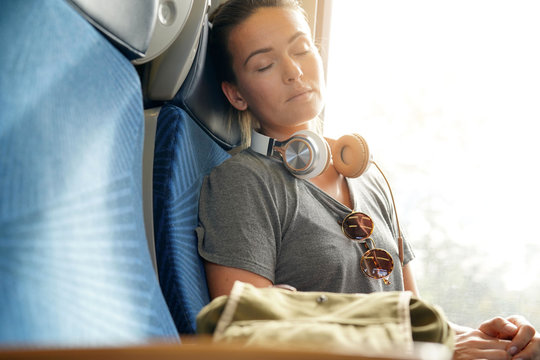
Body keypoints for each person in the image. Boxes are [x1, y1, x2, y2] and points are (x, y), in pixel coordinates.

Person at [195, 0, 540, 359]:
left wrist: (500, 341)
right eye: (265, 64)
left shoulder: (369, 176)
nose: (294, 71)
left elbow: (409, 315)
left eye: (301, 49)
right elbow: (247, 331)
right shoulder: (243, 182)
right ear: (236, 94)